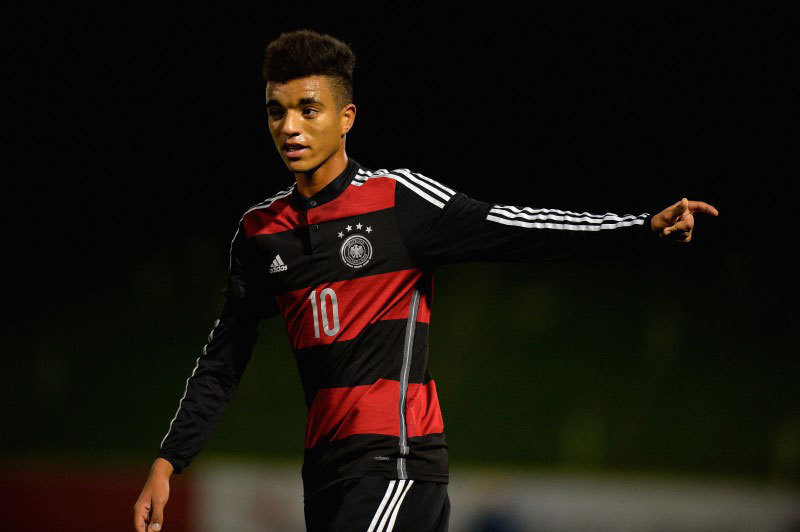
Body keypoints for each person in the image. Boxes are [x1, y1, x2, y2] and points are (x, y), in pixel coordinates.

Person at [134, 29, 719, 532]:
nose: (290, 127)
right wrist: (168, 461)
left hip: (397, 460)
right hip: (325, 472)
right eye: (276, 111)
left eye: (308, 109)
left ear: (346, 118)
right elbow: (223, 359)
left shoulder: (398, 202)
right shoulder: (261, 234)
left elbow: (516, 227)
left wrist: (640, 226)